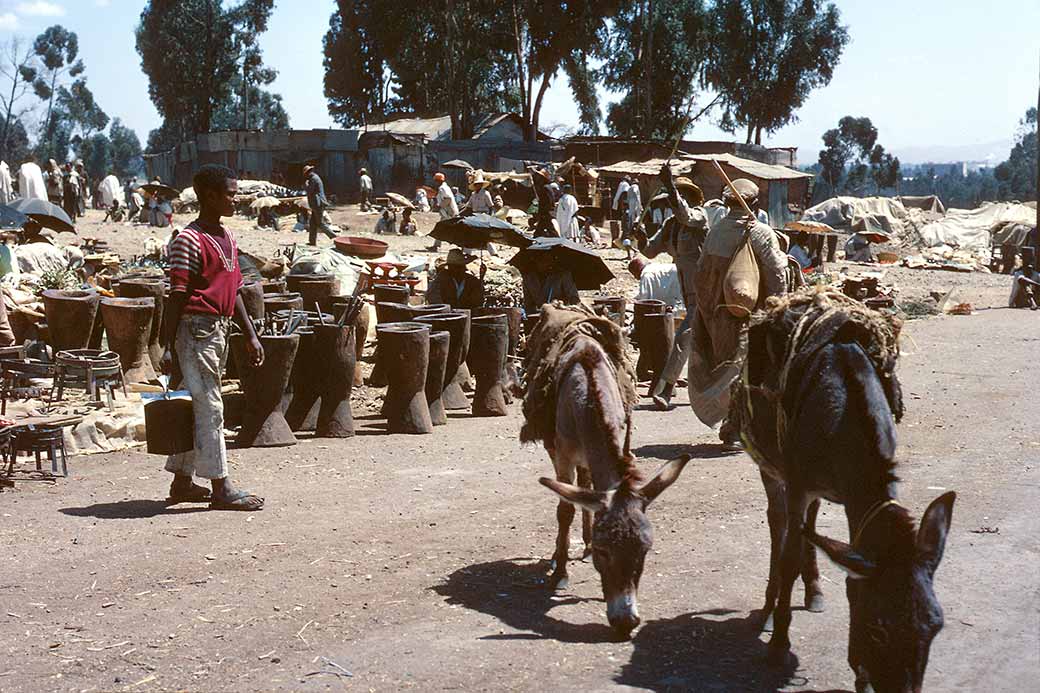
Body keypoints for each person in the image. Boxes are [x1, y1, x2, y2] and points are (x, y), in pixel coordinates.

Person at [162, 163, 264, 511]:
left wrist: (250, 335)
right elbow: (176, 295)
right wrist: (166, 345)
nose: (236, 200)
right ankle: (220, 486)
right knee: (210, 405)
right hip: (195, 329)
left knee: (197, 404)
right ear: (210, 196)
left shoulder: (227, 237)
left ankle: (182, 482)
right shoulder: (188, 239)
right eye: (231, 195)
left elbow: (234, 289)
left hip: (217, 330)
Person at [689, 177, 787, 447]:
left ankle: (735, 424)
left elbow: (701, 276)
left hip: (718, 317)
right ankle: (740, 426)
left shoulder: (716, 232)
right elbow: (777, 275)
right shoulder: (761, 233)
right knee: (752, 371)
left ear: (727, 203)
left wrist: (709, 313)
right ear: (755, 202)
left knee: (728, 369)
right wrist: (778, 310)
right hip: (753, 318)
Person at [644, 169, 709, 409]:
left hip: (706, 289)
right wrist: (638, 237)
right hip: (688, 290)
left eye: (681, 195)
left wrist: (670, 186)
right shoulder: (671, 225)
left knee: (684, 335)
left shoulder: (699, 216)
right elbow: (650, 251)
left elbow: (685, 215)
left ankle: (666, 389)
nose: (675, 200)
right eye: (674, 195)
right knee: (704, 340)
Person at [305, 164, 335, 245]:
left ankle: (334, 236)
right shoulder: (314, 178)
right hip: (316, 204)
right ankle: (312, 241)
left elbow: (310, 190)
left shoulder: (313, 179)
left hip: (318, 203)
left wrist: (306, 185)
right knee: (312, 223)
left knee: (320, 223)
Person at [430, 172, 458, 251]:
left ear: (438, 181)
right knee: (441, 228)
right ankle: (436, 245)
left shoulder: (442, 188)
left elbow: (448, 199)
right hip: (447, 211)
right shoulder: (444, 187)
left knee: (443, 228)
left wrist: (439, 205)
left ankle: (437, 246)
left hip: (449, 211)